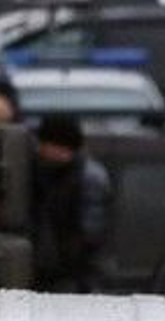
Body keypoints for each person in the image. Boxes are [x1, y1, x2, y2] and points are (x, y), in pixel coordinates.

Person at [32, 114, 112, 293]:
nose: (41, 149)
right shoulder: (48, 172)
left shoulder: (88, 178)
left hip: (76, 276)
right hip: (55, 272)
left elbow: (90, 234)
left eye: (45, 143)